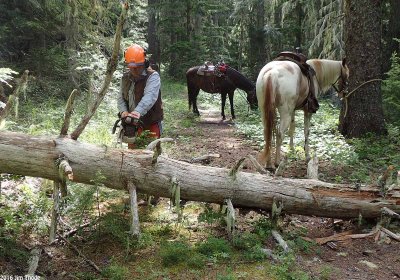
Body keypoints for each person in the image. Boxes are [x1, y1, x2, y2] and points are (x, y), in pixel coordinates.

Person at [118, 44, 163, 149]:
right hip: (133, 124)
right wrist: (123, 112)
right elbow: (121, 98)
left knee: (152, 153)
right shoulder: (125, 78)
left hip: (151, 121)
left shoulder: (153, 76)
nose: (134, 70)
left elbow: (150, 96)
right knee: (133, 155)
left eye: (137, 67)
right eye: (131, 67)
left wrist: (138, 112)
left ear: (144, 63)